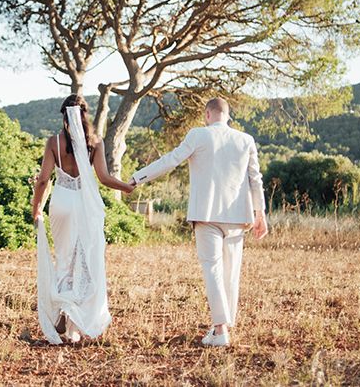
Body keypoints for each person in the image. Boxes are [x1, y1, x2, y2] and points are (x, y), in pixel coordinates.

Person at [123, 97, 268, 347]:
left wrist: (137, 178)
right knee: (230, 272)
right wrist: (260, 213)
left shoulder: (198, 135)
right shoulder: (246, 140)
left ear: (207, 114)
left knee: (212, 268)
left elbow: (170, 160)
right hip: (237, 217)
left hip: (206, 214)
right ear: (227, 116)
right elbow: (256, 179)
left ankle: (220, 329)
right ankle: (221, 326)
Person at [31, 94, 133, 344]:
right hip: (85, 204)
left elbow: (43, 180)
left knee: (64, 260)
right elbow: (105, 178)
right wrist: (126, 187)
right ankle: (74, 325)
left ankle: (64, 313)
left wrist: (36, 208)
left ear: (64, 115)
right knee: (84, 261)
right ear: (84, 114)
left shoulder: (53, 142)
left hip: (62, 203)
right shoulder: (95, 142)